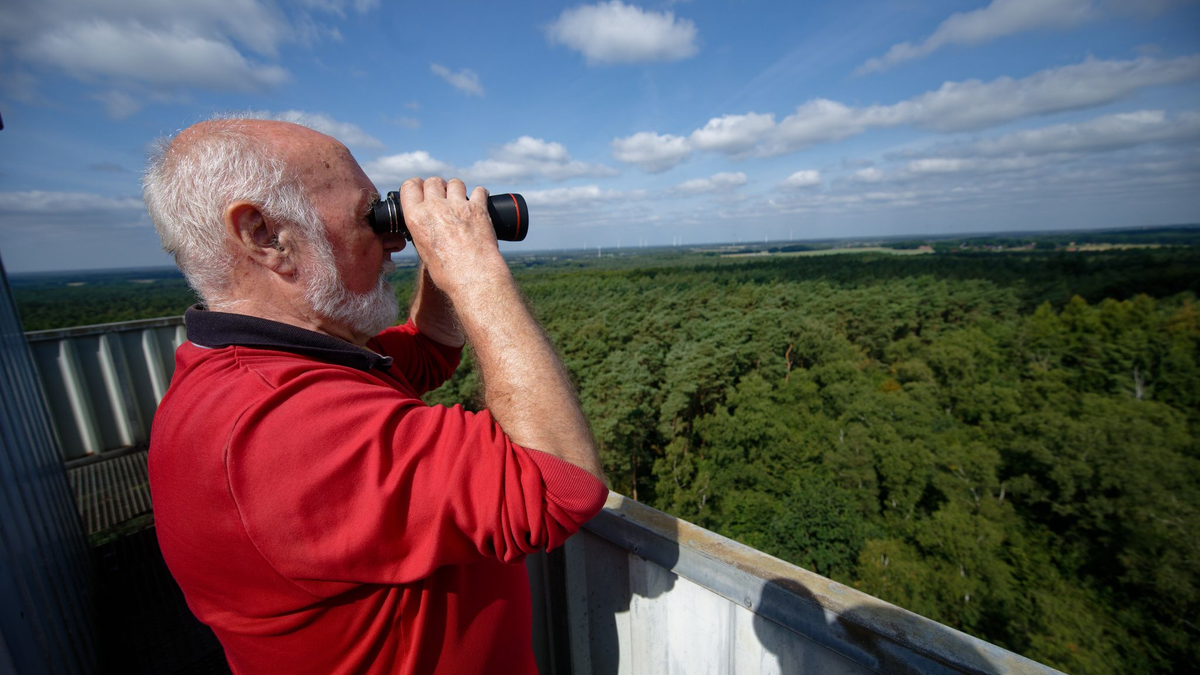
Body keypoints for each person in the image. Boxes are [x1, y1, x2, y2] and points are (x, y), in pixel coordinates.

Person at [142, 117, 608, 674]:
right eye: (371, 216)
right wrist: (471, 262)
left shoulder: (284, 365)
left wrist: (437, 256)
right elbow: (560, 482)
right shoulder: (275, 427)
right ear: (265, 236)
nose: (394, 240)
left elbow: (430, 347)